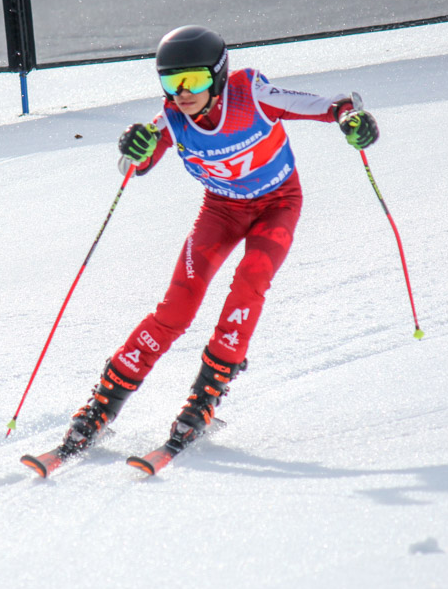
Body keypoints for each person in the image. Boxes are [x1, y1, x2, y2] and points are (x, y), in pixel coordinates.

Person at [62, 24, 379, 454]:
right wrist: (134, 146)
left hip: (277, 205)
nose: (182, 93)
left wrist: (350, 119)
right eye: (171, 82)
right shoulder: (172, 118)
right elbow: (135, 165)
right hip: (221, 211)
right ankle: (102, 405)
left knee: (250, 284)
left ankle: (205, 398)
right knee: (176, 308)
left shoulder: (250, 95)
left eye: (193, 79)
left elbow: (331, 106)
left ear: (218, 75)